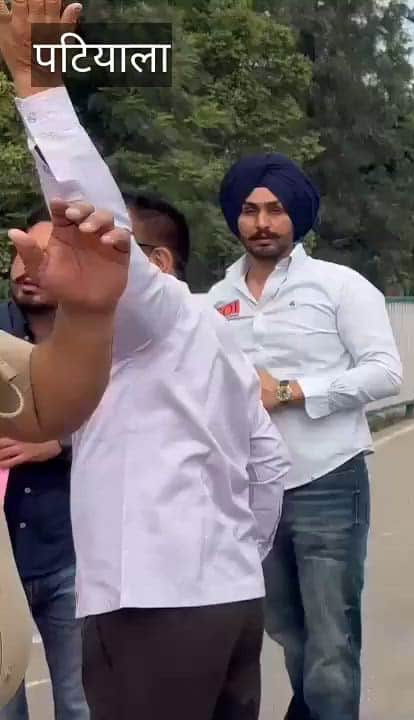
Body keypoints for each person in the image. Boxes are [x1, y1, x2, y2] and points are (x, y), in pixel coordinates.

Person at [4, 6, 292, 716]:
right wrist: (225, 559)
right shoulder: (216, 332)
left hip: (151, 609)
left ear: (155, 263)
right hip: (227, 601)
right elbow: (271, 467)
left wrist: (38, 88)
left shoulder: (150, 316)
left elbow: (92, 224)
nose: (50, 263)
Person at [207, 153, 403, 720]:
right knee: (290, 633)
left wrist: (291, 391)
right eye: (249, 210)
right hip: (251, 493)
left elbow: (384, 371)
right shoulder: (215, 301)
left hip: (329, 481)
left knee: (332, 644)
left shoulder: (338, 286)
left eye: (275, 210)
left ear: (297, 215)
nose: (261, 223)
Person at [0, 208, 87, 720]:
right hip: (4, 562)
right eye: (19, 254)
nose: (27, 268)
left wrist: (55, 440)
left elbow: (127, 421)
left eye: (45, 257)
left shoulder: (95, 344)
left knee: (78, 702)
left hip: (71, 553)